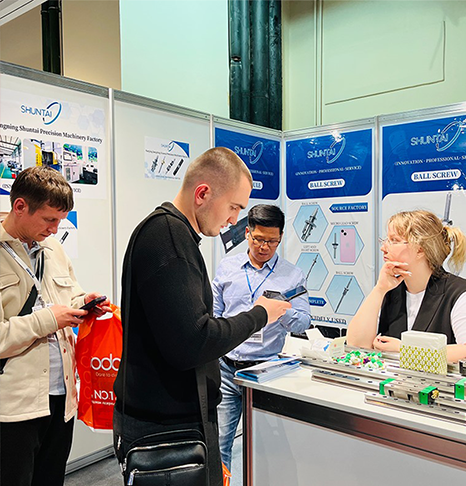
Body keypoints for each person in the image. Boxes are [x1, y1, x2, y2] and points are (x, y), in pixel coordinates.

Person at [112, 147, 290, 486]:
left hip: (173, 421)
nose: (234, 220)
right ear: (203, 193)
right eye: (234, 207)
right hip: (165, 430)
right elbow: (194, 342)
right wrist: (260, 315)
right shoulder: (168, 238)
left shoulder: (174, 236)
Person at [0, 167, 111, 486]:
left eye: (60, 220)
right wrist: (51, 319)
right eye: (49, 219)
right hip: (14, 407)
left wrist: (83, 303)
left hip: (61, 398)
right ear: (20, 206)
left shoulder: (53, 248)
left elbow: (68, 295)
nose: (55, 229)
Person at [212, 204, 311, 471]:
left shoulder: (292, 275)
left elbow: (304, 321)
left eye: (272, 241)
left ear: (280, 238)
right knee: (219, 444)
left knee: (268, 450)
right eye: (258, 239)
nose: (264, 247)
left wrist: (281, 309)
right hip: (227, 370)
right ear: (247, 233)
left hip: (266, 373)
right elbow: (215, 314)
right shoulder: (227, 267)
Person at [347, 209, 466, 362]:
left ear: (420, 249)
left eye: (394, 240)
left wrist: (405, 349)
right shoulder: (389, 290)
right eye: (386, 240)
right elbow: (356, 345)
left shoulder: (460, 293)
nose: (383, 247)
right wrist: (379, 289)